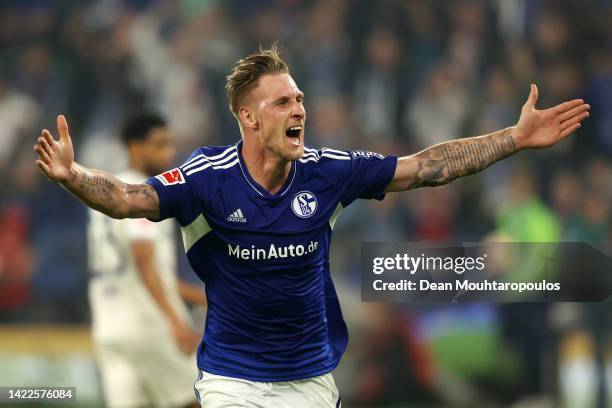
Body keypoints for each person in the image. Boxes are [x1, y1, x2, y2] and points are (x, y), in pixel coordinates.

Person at [33, 46, 589, 407]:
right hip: (232, 382)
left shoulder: (328, 171)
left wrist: (512, 140)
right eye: (282, 102)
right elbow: (130, 198)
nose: (299, 109)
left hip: (310, 382)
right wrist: (71, 175)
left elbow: (425, 167)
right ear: (249, 118)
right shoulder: (207, 176)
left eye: (299, 98)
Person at [86, 112, 206, 408]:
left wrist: (200, 297)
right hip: (150, 325)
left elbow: (147, 273)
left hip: (110, 330)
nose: (169, 152)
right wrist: (175, 320)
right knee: (197, 401)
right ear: (134, 146)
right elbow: (143, 260)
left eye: (170, 144)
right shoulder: (139, 193)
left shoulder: (105, 194)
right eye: (159, 144)